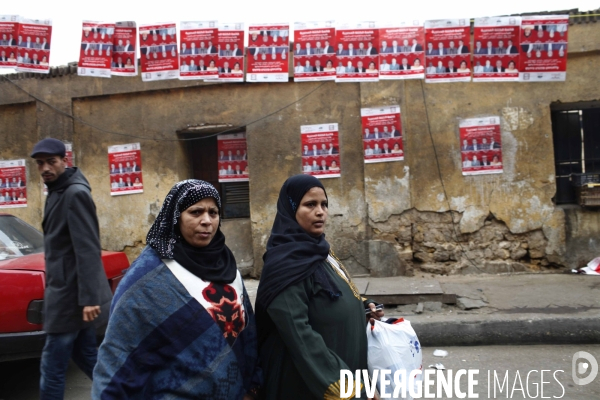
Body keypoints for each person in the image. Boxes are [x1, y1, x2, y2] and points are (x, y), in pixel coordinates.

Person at [93, 180, 261, 399]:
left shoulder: (227, 267)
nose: (207, 221)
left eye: (214, 212)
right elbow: (117, 356)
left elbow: (247, 334)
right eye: (196, 212)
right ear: (175, 216)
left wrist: (252, 386)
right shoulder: (147, 278)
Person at [256, 175, 381, 400]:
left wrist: (363, 306)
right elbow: (299, 335)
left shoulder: (319, 251)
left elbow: (331, 294)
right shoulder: (285, 264)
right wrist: (344, 386)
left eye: (324, 204)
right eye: (310, 205)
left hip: (346, 368)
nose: (320, 211)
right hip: (311, 382)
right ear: (290, 210)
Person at [30, 138, 112, 399]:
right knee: (87, 355)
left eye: (51, 162)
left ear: (65, 161)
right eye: (40, 163)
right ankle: (121, 393)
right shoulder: (57, 190)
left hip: (71, 297)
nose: (45, 168)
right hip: (68, 293)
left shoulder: (75, 194)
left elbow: (87, 248)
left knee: (52, 365)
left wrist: (89, 299)